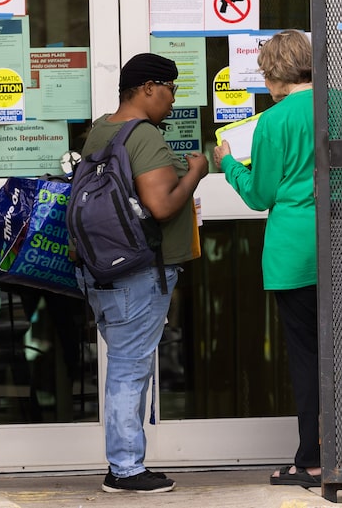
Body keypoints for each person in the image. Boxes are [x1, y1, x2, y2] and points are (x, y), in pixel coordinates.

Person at [74, 53, 208, 494]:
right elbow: (162, 204)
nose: (173, 100)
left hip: (102, 268)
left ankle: (126, 462)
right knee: (130, 370)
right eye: (170, 89)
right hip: (137, 271)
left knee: (125, 366)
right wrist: (196, 173)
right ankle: (126, 468)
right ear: (149, 88)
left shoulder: (101, 128)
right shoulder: (143, 135)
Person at [212, 29, 323, 488]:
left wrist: (229, 164)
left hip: (295, 251)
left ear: (275, 74)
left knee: (307, 355)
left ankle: (311, 458)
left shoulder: (274, 122)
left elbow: (261, 196)